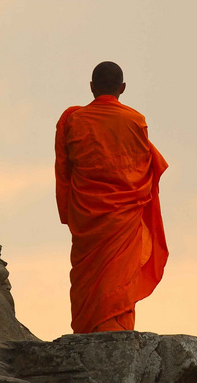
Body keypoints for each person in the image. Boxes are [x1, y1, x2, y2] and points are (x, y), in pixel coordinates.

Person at [55, 62, 168, 333]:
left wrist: (68, 212)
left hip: (87, 216)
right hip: (123, 216)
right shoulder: (135, 121)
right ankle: (116, 328)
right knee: (120, 276)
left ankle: (91, 331)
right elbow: (147, 166)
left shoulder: (73, 120)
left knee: (88, 278)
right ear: (123, 88)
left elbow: (64, 172)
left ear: (92, 87)